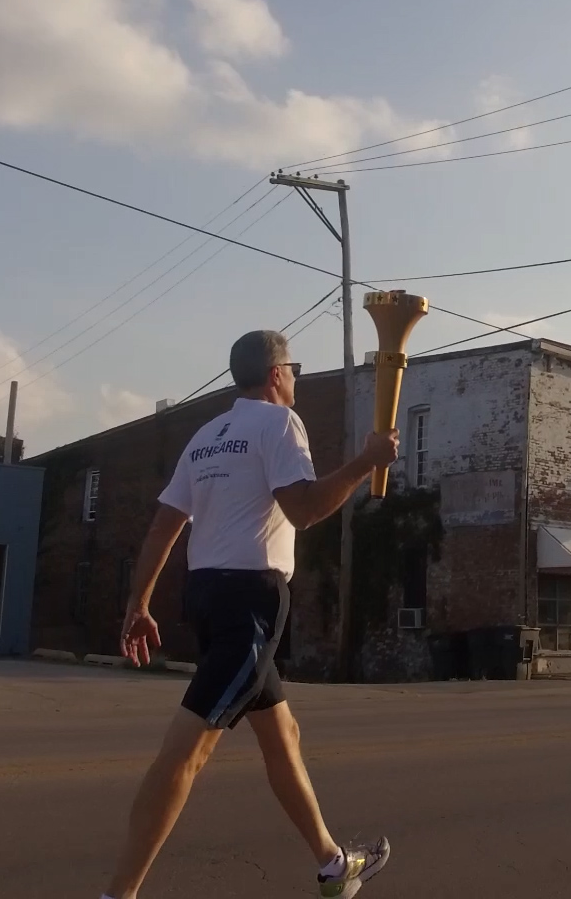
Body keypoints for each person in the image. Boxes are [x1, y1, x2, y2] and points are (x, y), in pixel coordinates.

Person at [96, 329, 400, 899]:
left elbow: (165, 524)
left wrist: (138, 603)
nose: (296, 380)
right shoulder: (280, 424)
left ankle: (334, 863)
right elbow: (304, 509)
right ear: (276, 374)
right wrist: (366, 461)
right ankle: (120, 894)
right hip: (251, 605)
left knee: (282, 732)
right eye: (295, 369)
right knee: (186, 752)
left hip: (207, 597)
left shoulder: (207, 436)